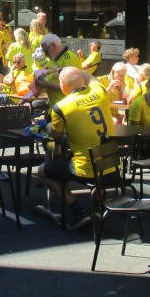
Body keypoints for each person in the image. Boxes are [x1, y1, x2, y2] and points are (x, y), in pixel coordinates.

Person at [39, 66, 115, 229]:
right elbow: (91, 77)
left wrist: (47, 126)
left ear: (62, 84)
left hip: (86, 170)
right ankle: (98, 205)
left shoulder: (61, 107)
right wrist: (76, 72)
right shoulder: (100, 92)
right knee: (70, 152)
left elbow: (54, 135)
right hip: (112, 166)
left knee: (43, 170)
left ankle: (77, 210)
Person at [33, 34, 83, 107]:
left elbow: (71, 88)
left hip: (67, 108)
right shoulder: (52, 59)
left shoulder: (69, 58)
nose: (45, 54)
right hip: (55, 107)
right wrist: (39, 82)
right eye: (43, 51)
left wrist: (47, 84)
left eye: (45, 50)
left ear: (53, 46)